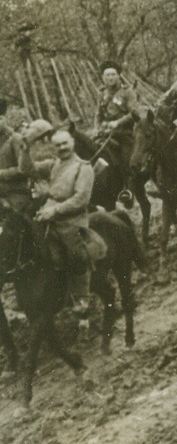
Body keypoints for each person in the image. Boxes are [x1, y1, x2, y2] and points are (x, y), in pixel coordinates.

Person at [24, 128, 100, 317]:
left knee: (76, 253)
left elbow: (81, 199)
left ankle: (82, 297)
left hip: (72, 219)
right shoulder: (53, 165)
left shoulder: (83, 167)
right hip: (48, 215)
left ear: (72, 143)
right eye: (57, 145)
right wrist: (25, 149)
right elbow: (26, 169)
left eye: (65, 143)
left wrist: (55, 211)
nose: (62, 148)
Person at [93, 60, 139, 179]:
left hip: (124, 134)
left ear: (119, 76)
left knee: (126, 163)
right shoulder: (102, 93)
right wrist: (96, 128)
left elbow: (134, 113)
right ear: (103, 77)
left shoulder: (127, 91)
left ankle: (127, 190)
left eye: (113, 74)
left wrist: (117, 123)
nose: (110, 78)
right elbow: (98, 114)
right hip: (105, 133)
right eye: (107, 75)